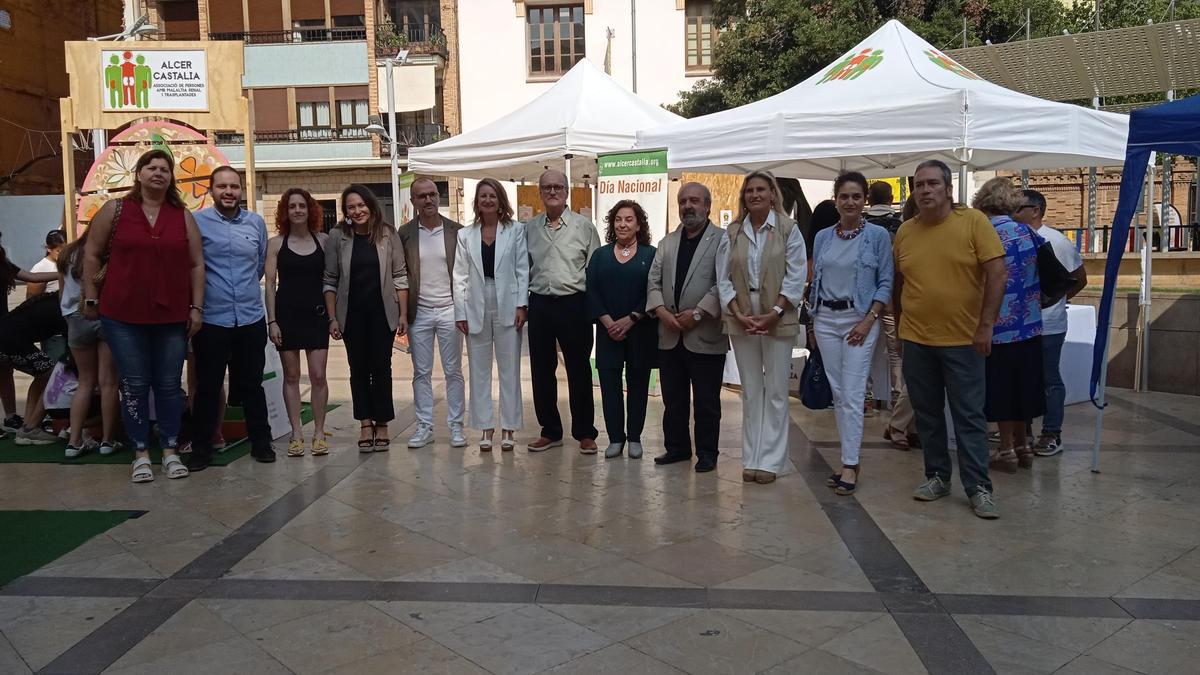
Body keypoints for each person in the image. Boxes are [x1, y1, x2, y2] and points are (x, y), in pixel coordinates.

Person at [82, 148, 205, 482]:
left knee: (168, 384)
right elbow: (91, 253)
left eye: (165, 169)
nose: (158, 173)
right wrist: (91, 298)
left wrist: (197, 307)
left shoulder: (182, 215)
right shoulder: (115, 209)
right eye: (151, 167)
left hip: (171, 316)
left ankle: (169, 449)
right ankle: (139, 452)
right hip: (122, 315)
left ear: (171, 178)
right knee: (134, 385)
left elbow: (196, 264)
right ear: (138, 174)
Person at [893, 160, 1007, 519]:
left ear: (947, 189)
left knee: (969, 417)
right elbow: (900, 285)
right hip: (917, 339)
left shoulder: (973, 222)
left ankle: (978, 488)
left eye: (931, 184)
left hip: (964, 340)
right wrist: (899, 329)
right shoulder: (905, 232)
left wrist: (986, 325)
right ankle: (938, 476)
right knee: (926, 416)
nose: (924, 190)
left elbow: (997, 274)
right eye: (918, 185)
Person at [717, 170, 806, 485]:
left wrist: (776, 312)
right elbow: (723, 278)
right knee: (751, 391)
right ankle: (752, 457)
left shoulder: (788, 229)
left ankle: (772, 460)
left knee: (777, 391)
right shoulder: (733, 232)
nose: (754, 195)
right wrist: (738, 313)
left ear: (772, 194)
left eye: (761, 189)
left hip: (777, 315)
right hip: (742, 316)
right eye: (749, 190)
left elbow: (796, 276)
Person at [184, 167, 274, 471]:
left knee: (252, 384)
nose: (228, 191)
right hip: (212, 319)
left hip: (249, 318)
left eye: (233, 186)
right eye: (221, 186)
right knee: (208, 386)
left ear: (241, 190)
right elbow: (191, 265)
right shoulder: (197, 223)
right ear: (211, 190)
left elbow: (260, 265)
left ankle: (262, 443)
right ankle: (202, 449)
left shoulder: (256, 223)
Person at [810, 172, 893, 495]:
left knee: (854, 392)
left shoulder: (877, 237)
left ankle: (849, 463)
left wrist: (869, 318)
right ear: (836, 200)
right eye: (844, 196)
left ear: (865, 200)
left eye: (856, 196)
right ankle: (849, 459)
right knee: (840, 393)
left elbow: (886, 281)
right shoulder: (823, 237)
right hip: (826, 320)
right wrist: (812, 321)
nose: (850, 202)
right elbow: (815, 280)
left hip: (860, 319)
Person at [647, 183, 726, 472]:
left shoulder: (722, 240)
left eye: (694, 201)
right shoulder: (666, 242)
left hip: (704, 333)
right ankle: (677, 448)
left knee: (706, 401)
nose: (688, 206)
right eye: (683, 201)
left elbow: (724, 282)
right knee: (673, 399)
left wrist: (698, 313)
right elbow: (652, 281)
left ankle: (707, 453)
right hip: (669, 334)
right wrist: (661, 312)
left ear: (708, 206)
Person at [324, 184, 408, 451]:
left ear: (371, 206)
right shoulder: (338, 236)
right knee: (357, 369)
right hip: (351, 315)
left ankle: (382, 422)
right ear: (346, 211)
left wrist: (403, 313)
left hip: (382, 314)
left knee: (382, 368)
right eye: (351, 207)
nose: (357, 211)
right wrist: (332, 318)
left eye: (361, 205)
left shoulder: (388, 234)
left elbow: (400, 275)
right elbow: (330, 279)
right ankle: (364, 422)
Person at [524, 169, 600, 454]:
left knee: (579, 369)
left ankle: (585, 432)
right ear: (540, 192)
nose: (552, 192)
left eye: (558, 187)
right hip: (541, 304)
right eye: (547, 188)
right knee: (542, 370)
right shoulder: (529, 228)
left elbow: (594, 272)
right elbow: (523, 270)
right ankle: (550, 430)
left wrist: (593, 310)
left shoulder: (584, 227)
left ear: (567, 190)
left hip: (574, 304)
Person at [972, 178, 1045, 472]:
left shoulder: (985, 233)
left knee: (1002, 389)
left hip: (998, 325)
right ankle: (1024, 444)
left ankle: (1005, 449)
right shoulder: (1027, 231)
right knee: (1023, 387)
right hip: (1030, 322)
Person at [453, 178, 528, 450]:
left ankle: (509, 427)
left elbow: (522, 269)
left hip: (507, 301)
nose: (487, 200)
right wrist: (460, 311)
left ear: (500, 201)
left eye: (492, 196)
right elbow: (459, 275)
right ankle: (485, 427)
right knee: (479, 369)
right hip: (475, 302)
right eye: (483, 196)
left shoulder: (515, 230)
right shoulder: (465, 235)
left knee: (510, 370)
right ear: (477, 201)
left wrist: (522, 305)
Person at [1015, 189, 1087, 457]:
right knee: (1022, 378)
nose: (1013, 210)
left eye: (1018, 206)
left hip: (1048, 325)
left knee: (1048, 379)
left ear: (1035, 210)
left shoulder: (1057, 241)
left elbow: (1079, 278)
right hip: (1022, 324)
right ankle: (1023, 431)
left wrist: (1055, 301)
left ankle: (1051, 432)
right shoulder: (1015, 238)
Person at [586, 200, 657, 459]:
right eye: (618, 219)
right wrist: (607, 322)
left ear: (639, 225)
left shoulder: (651, 254)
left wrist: (632, 318)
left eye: (629, 219)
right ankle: (616, 438)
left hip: (640, 330)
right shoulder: (600, 255)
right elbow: (591, 290)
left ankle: (635, 438)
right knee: (609, 385)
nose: (623, 224)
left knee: (638, 385)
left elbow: (654, 289)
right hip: (608, 333)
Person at [399, 178, 466, 449]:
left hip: (451, 309)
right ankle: (424, 426)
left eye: (432, 195)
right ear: (413, 201)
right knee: (421, 372)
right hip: (420, 312)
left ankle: (456, 427)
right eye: (421, 196)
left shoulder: (457, 231)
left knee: (454, 371)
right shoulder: (404, 234)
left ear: (439, 197)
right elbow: (399, 275)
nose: (428, 200)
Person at [265, 188, 330, 457]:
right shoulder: (276, 244)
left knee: (318, 375)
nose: (297, 210)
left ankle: (318, 432)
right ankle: (296, 433)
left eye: (302, 205)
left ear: (310, 209)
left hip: (317, 316)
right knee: (291, 376)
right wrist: (272, 321)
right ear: (285, 211)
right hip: (287, 315)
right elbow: (269, 284)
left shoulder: (324, 241)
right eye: (292, 206)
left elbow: (332, 281)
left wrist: (334, 316)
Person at [56, 227, 120, 457]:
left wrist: (68, 318)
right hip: (105, 316)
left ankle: (74, 442)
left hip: (75, 318)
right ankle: (107, 440)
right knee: (108, 383)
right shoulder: (107, 253)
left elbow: (62, 293)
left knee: (84, 382)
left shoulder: (67, 253)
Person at [0, 232, 59, 439]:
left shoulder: (3, 263)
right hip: (7, 331)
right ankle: (24, 423)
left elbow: (32, 277)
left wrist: (61, 274)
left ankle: (13, 418)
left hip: (4, 324)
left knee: (5, 372)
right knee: (47, 371)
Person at [26, 230, 66, 297]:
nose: (63, 254)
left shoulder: (70, 263)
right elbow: (31, 299)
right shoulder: (40, 269)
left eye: (66, 250)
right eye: (58, 251)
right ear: (49, 249)